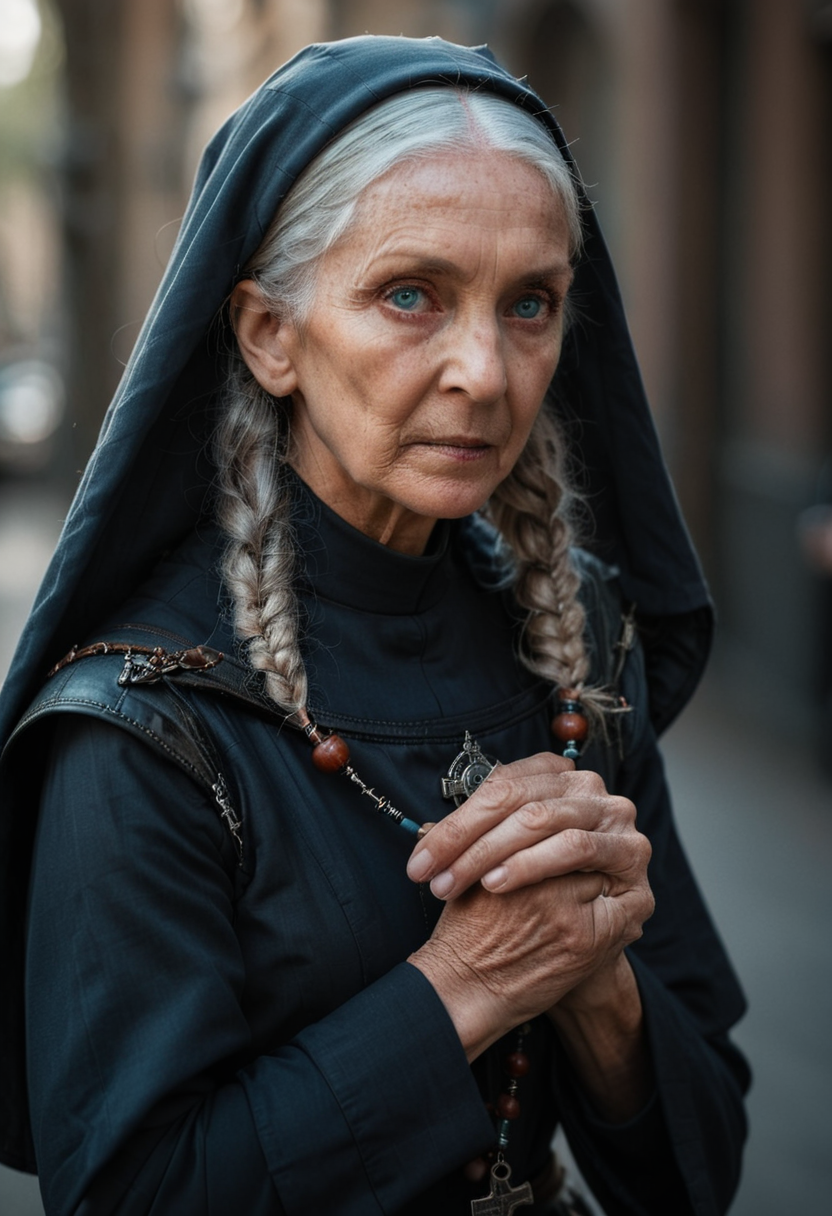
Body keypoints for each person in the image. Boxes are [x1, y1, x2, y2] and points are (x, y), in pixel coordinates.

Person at [0, 35, 749, 1216]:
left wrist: (597, 978)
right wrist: (470, 980)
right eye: (412, 294)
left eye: (530, 304)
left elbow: (697, 1167)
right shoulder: (142, 724)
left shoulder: (579, 646)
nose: (484, 371)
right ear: (269, 334)